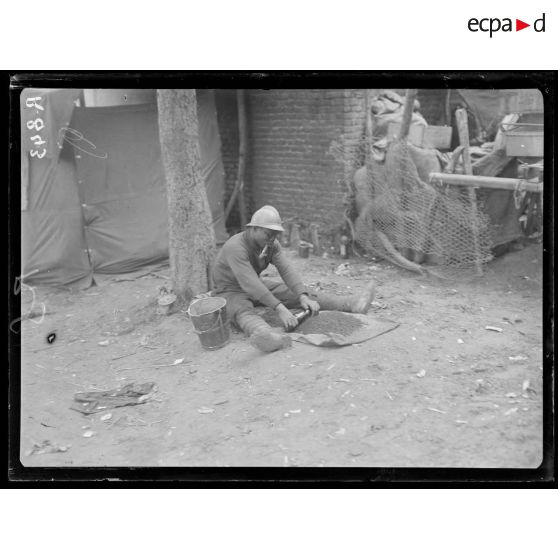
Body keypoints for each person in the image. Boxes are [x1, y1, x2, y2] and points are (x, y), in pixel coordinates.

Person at [212, 205, 376, 352]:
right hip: (230, 291)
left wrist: (302, 295)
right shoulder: (236, 247)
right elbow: (250, 283)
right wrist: (280, 309)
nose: (272, 239)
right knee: (242, 311)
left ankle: (351, 304)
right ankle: (267, 336)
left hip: (256, 284)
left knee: (297, 294)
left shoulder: (271, 245)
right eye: (268, 234)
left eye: (275, 235)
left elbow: (286, 269)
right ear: (254, 228)